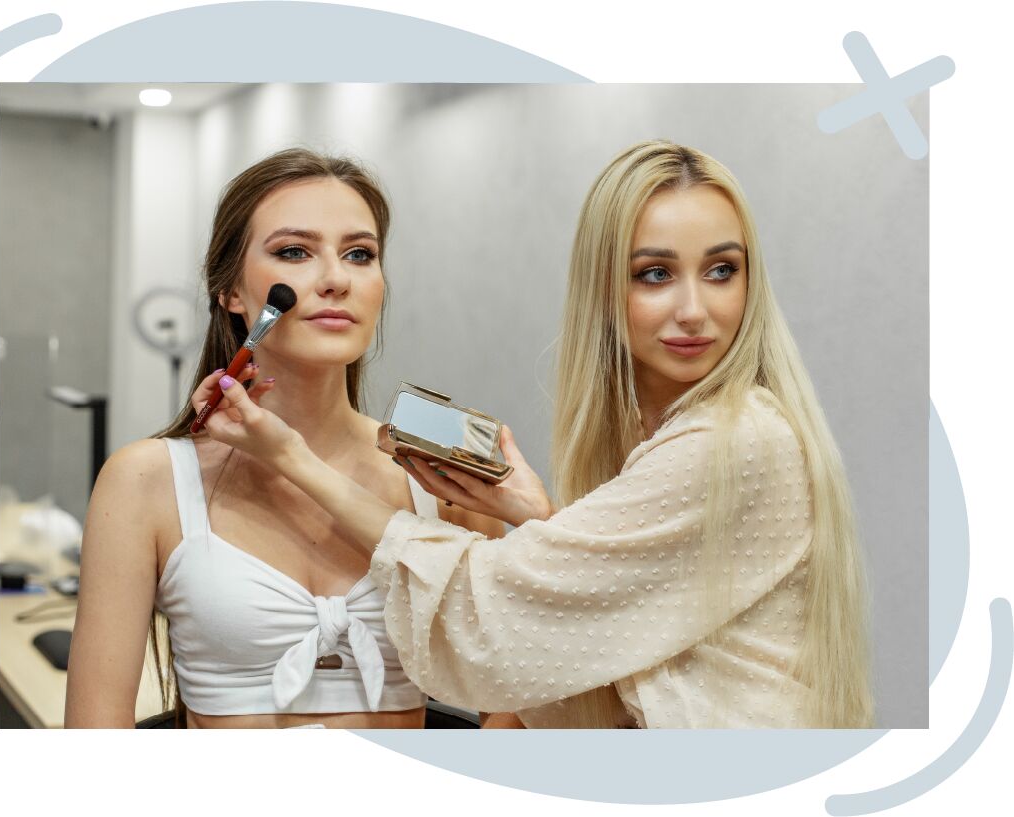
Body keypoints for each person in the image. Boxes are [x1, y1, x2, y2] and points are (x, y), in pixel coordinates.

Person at [187, 141, 874, 728]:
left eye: (722, 270)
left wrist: (291, 459)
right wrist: (539, 519)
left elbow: (500, 630)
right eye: (655, 274)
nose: (693, 310)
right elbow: (583, 647)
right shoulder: (151, 480)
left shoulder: (735, 442)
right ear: (232, 291)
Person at [64, 148, 504, 728]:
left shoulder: (442, 478)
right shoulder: (145, 481)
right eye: (294, 252)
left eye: (360, 254)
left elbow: (515, 706)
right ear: (231, 293)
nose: (335, 279)